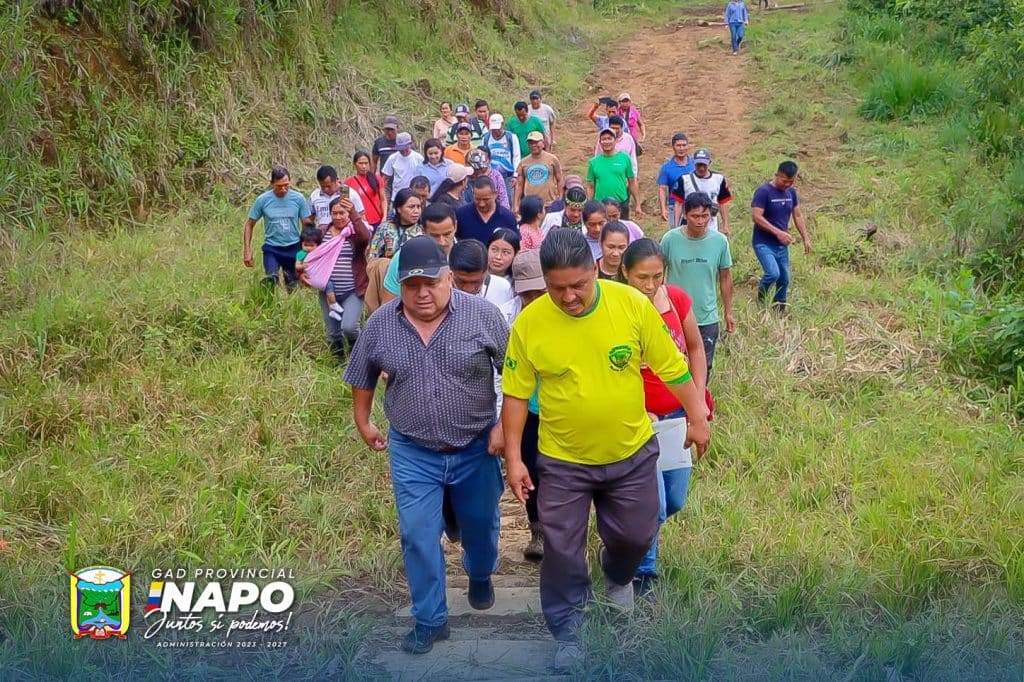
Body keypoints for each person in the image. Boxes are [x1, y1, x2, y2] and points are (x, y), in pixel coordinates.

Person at [500, 229, 711, 674]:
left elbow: (672, 365)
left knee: (637, 534)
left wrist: (697, 415)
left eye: (578, 285)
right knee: (560, 548)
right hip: (563, 460)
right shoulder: (531, 323)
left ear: (596, 269)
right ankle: (569, 632)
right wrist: (515, 458)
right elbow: (517, 395)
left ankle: (617, 576)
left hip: (631, 452)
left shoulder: (630, 305)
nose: (569, 297)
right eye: (557, 288)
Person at [343, 236, 509, 655]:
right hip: (413, 449)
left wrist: (505, 427)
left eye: (430, 283)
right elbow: (362, 373)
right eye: (412, 285)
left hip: (475, 445)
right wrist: (363, 422)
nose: (422, 293)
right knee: (418, 535)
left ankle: (480, 570)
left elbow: (517, 374)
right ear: (401, 285)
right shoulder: (382, 323)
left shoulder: (483, 316)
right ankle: (430, 619)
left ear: (449, 278)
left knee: (481, 526)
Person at [619, 238, 709, 596]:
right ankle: (643, 571)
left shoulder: (676, 300)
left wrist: (697, 401)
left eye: (657, 276)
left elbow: (696, 348)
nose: (650, 284)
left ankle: (628, 538)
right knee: (652, 504)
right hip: (638, 420)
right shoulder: (617, 307)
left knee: (674, 500)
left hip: (676, 416)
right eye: (642, 277)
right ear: (625, 273)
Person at [496, 249, 547, 561]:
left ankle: (565, 531)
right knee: (531, 469)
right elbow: (503, 373)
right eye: (526, 294)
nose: (533, 300)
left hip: (564, 409)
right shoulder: (509, 318)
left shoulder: (567, 310)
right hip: (527, 409)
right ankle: (537, 529)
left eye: (539, 292)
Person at [661, 192, 736, 380]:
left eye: (705, 216)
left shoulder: (719, 241)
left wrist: (728, 312)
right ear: (685, 215)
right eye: (695, 216)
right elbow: (658, 275)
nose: (701, 221)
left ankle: (700, 405)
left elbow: (725, 277)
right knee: (675, 365)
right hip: (675, 315)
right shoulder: (670, 240)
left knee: (703, 367)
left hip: (706, 317)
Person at [751, 160, 811, 313]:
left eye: (791, 182)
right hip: (763, 242)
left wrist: (805, 238)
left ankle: (779, 309)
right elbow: (756, 217)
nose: (787, 185)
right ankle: (761, 300)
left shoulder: (791, 193)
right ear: (777, 175)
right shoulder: (763, 191)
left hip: (781, 245)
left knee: (784, 278)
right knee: (773, 273)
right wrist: (777, 232)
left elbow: (797, 215)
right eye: (784, 181)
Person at [317, 196, 371, 357]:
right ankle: (338, 363)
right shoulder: (323, 232)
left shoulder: (354, 232)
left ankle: (358, 354)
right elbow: (307, 251)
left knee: (349, 327)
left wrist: (354, 213)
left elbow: (365, 236)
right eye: (334, 213)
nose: (338, 217)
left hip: (352, 290)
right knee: (333, 332)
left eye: (342, 213)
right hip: (327, 292)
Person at [380, 202, 459, 305]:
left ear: (456, 226)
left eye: (447, 234)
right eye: (435, 236)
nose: (442, 242)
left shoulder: (465, 254)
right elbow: (388, 306)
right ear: (422, 230)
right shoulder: (404, 257)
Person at [243, 166, 308, 288]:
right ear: (272, 183)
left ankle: (289, 306)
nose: (283, 189)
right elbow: (249, 224)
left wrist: (305, 250)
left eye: (286, 185)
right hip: (272, 248)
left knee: (293, 286)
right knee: (270, 281)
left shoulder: (298, 199)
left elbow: (307, 223)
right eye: (279, 186)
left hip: (293, 247)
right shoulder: (262, 200)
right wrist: (247, 250)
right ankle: (266, 304)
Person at [670, 148, 733, 235]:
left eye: (704, 165)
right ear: (694, 163)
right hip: (689, 224)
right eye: (699, 165)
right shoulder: (684, 180)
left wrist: (725, 225)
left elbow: (723, 203)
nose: (701, 168)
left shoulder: (719, 179)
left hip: (711, 225)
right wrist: (676, 226)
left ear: (709, 163)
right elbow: (678, 204)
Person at [587, 129, 641, 220]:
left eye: (609, 138)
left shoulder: (625, 158)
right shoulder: (594, 162)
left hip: (621, 202)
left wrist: (638, 204)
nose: (606, 141)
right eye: (603, 139)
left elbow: (632, 182)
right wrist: (589, 205)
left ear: (615, 141)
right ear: (600, 142)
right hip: (600, 205)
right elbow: (590, 186)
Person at [449, 239, 516, 307]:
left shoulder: (502, 288)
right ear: (450, 274)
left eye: (476, 282)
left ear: (486, 271)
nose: (469, 289)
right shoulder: (440, 293)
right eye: (462, 282)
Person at [456, 177, 518, 243]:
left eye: (486, 199)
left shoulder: (508, 217)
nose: (481, 204)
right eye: (477, 199)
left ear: (495, 194)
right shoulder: (461, 215)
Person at [514, 131, 563, 213]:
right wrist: (516, 204)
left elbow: (560, 180)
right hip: (530, 205)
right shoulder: (523, 162)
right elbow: (519, 185)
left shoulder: (552, 159)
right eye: (531, 143)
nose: (533, 145)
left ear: (543, 143)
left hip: (549, 204)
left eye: (536, 142)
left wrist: (560, 199)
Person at [368, 188, 423, 259]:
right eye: (411, 207)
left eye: (418, 207)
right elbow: (372, 255)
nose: (416, 211)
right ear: (398, 209)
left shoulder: (422, 231)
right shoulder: (385, 229)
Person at [657, 133, 695, 229]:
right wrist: (663, 208)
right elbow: (662, 188)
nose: (681, 148)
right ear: (673, 147)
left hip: (695, 205)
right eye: (678, 145)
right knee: (676, 233)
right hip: (674, 206)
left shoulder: (695, 164)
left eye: (684, 145)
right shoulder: (667, 168)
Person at [309, 165, 365, 229]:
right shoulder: (315, 195)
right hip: (322, 236)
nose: (325, 189)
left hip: (345, 235)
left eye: (328, 186)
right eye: (322, 186)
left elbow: (361, 216)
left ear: (336, 180)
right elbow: (310, 218)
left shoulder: (350, 194)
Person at [482, 114, 521, 203]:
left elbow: (516, 156)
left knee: (508, 199)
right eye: (493, 129)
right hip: (491, 175)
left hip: (508, 175)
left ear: (502, 124)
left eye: (497, 129)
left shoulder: (511, 137)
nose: (495, 131)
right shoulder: (486, 138)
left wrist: (515, 175)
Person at [345, 151, 386, 229]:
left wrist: (384, 217)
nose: (364, 166)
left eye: (366, 163)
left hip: (378, 221)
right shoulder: (348, 183)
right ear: (354, 164)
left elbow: (383, 200)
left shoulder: (377, 178)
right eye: (360, 163)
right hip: (360, 223)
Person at [382, 132, 425, 202]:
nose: (403, 151)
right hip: (397, 195)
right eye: (401, 149)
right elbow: (385, 178)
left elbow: (424, 177)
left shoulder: (418, 158)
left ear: (410, 144)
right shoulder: (393, 158)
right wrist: (382, 194)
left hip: (414, 195)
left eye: (405, 148)